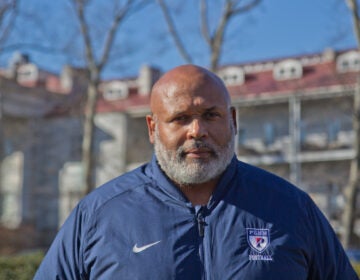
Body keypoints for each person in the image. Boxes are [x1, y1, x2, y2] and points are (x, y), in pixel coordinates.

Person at [34, 65, 358, 279]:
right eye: (180, 118)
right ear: (152, 128)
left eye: (211, 115)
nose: (197, 131)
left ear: (233, 121)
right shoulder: (98, 215)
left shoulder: (291, 208)